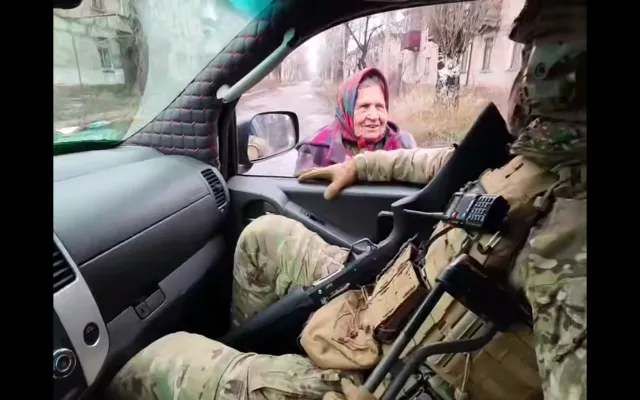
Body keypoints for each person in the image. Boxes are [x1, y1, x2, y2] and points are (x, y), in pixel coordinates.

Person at [106, 0, 586, 399]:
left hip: (392, 381)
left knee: (155, 364)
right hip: (389, 306)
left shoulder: (572, 227)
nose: (528, 74)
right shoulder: (534, 167)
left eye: (542, 55)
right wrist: (360, 166)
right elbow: (437, 162)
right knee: (262, 237)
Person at [294, 67, 416, 176]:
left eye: (379, 106)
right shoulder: (316, 149)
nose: (374, 116)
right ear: (346, 110)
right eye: (364, 106)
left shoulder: (404, 144)